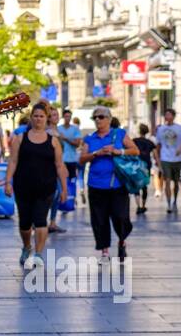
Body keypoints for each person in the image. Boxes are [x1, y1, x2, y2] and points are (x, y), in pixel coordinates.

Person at [5, 100, 67, 271]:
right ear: (31, 118)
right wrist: (8, 182)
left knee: (40, 220)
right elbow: (13, 161)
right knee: (25, 223)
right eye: (36, 116)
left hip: (46, 188)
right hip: (23, 187)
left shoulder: (53, 141)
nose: (39, 119)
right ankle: (26, 246)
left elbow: (60, 166)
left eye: (42, 116)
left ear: (47, 119)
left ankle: (38, 254)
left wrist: (64, 189)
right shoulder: (20, 139)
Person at [79, 105, 140, 262]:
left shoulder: (119, 134)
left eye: (101, 117)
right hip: (96, 185)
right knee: (99, 220)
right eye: (95, 117)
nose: (98, 120)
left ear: (109, 119)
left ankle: (122, 241)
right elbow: (82, 159)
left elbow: (135, 150)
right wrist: (96, 153)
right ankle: (104, 252)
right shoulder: (90, 138)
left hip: (117, 185)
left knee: (121, 217)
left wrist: (118, 151)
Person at [48, 109, 81, 230]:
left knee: (58, 193)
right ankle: (40, 221)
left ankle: (52, 222)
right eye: (53, 115)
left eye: (57, 115)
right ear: (48, 118)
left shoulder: (58, 131)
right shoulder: (48, 132)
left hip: (61, 165)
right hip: (51, 167)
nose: (56, 117)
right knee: (52, 194)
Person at [155, 108, 181, 214]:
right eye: (166, 115)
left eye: (169, 115)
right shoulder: (161, 129)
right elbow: (158, 145)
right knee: (167, 181)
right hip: (165, 158)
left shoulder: (180, 128)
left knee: (176, 182)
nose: (167, 117)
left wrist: (180, 149)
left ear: (173, 116)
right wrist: (157, 160)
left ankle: (175, 202)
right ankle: (169, 203)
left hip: (177, 159)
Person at [131, 124, 156, 216]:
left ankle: (138, 206)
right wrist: (158, 164)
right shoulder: (150, 142)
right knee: (144, 185)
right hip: (146, 166)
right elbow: (155, 154)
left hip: (136, 165)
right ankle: (143, 205)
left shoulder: (134, 141)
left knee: (136, 185)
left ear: (139, 131)